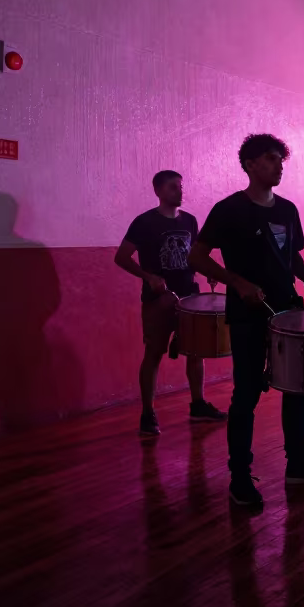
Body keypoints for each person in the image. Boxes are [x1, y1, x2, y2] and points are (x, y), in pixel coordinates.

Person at [188, 134, 304, 507]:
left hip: (287, 310)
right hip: (249, 315)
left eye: (280, 160)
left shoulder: (287, 209)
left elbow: (290, 253)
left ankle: (298, 465)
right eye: (271, 159)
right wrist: (237, 283)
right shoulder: (228, 210)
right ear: (250, 165)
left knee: (297, 387)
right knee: (247, 393)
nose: (279, 166)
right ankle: (240, 476)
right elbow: (198, 257)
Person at [115, 171, 226, 435]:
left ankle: (198, 405)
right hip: (158, 301)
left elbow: (195, 255)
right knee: (154, 354)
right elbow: (121, 257)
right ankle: (147, 413)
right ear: (158, 191)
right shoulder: (144, 223)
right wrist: (148, 276)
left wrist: (209, 270)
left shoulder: (190, 221)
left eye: (180, 186)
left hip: (190, 297)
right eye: (172, 187)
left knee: (196, 351)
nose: (179, 191)